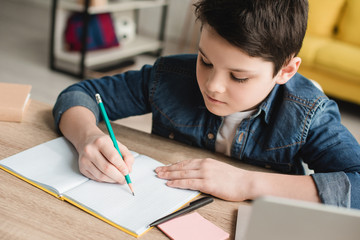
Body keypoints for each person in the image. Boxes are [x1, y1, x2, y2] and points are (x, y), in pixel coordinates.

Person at [53, 0, 360, 209]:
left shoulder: (308, 113)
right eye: (205, 60)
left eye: (238, 77)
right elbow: (77, 95)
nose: (212, 85)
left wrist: (247, 183)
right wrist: (88, 139)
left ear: (286, 71)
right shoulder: (170, 76)